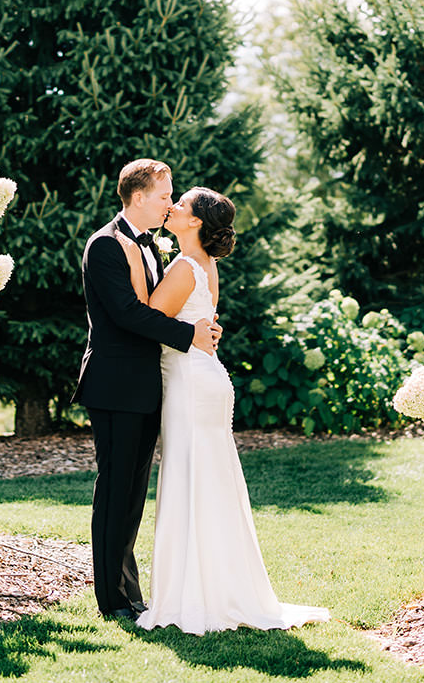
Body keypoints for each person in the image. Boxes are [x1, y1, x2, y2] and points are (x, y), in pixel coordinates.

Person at [116, 186, 330, 635]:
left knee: (191, 478)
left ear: (194, 222)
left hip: (190, 383)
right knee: (209, 480)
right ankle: (219, 587)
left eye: (181, 205)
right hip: (207, 377)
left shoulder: (182, 266)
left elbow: (146, 319)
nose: (171, 207)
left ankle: (196, 596)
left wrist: (134, 268)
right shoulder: (206, 266)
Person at [74, 159, 221, 621]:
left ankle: (130, 592)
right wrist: (189, 336)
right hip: (115, 384)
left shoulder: (150, 247)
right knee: (115, 490)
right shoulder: (104, 246)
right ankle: (112, 599)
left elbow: (162, 308)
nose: (168, 204)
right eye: (163, 196)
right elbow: (125, 314)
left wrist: (199, 331)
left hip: (147, 385)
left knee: (134, 494)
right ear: (138, 197)